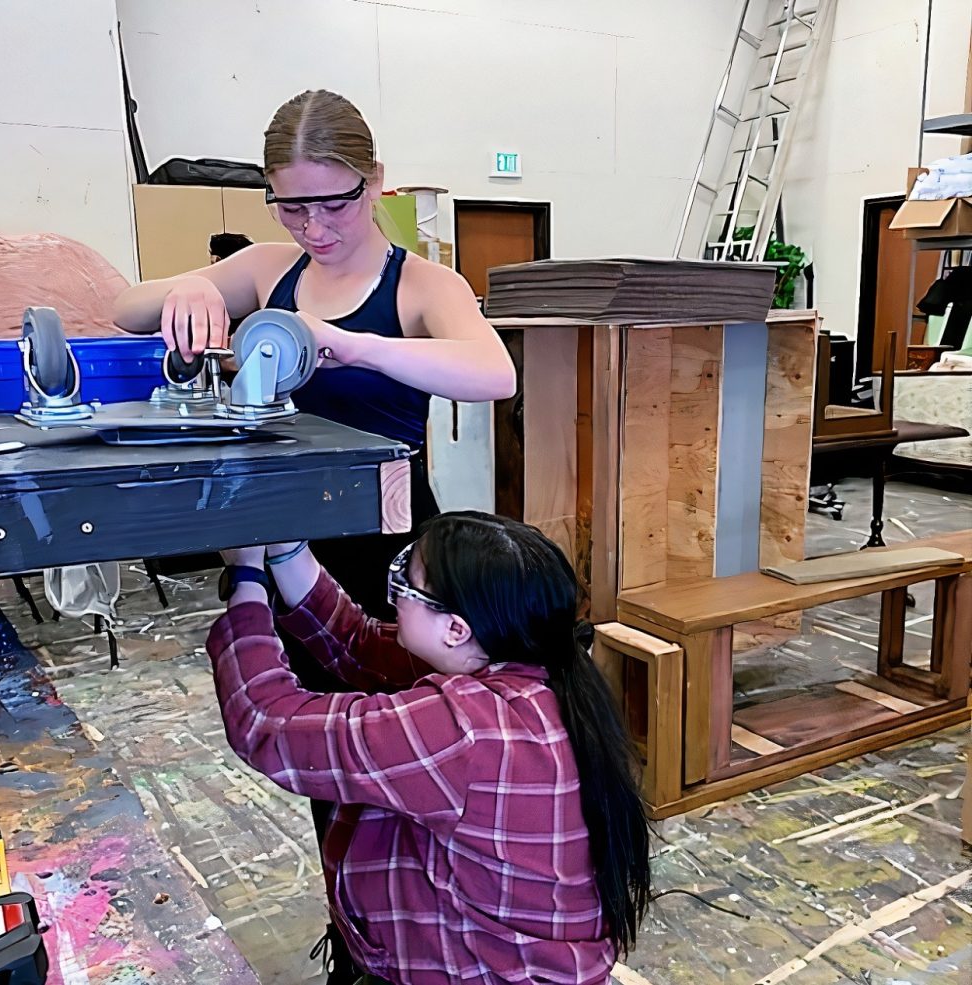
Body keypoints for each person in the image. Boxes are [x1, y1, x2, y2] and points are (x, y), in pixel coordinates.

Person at [115, 89, 516, 981]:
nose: (314, 225)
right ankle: (359, 934)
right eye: (290, 204)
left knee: (406, 762)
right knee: (322, 762)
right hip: (285, 541)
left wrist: (353, 343)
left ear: (373, 184)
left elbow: (492, 371)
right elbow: (121, 306)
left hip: (393, 556)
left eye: (332, 201)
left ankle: (424, 939)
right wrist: (183, 286)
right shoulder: (266, 267)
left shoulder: (419, 283)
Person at [209, 512, 651, 985]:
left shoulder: (467, 732)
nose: (395, 592)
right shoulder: (533, 666)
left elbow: (268, 721)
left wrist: (247, 582)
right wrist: (287, 552)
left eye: (407, 584)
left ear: (457, 629)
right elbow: (360, 645)